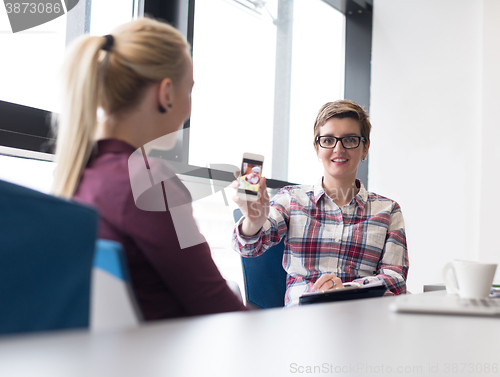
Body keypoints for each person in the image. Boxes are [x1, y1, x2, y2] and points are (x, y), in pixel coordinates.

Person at [51, 18, 246, 320]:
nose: (189, 106)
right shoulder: (147, 180)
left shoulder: (81, 174)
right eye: (189, 91)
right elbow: (218, 307)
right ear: (166, 93)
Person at [231, 100, 409, 307]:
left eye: (350, 140)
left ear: (365, 148)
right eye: (328, 140)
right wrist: (253, 221)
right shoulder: (291, 199)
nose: (338, 148)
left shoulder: (388, 210)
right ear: (317, 148)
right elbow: (248, 248)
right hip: (303, 322)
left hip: (362, 319)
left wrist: (347, 289)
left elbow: (396, 280)